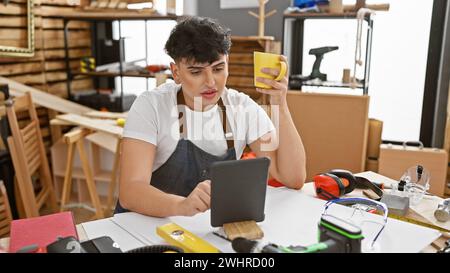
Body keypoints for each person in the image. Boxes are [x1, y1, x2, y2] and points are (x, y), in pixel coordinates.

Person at [116, 16, 306, 217]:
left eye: (218, 69)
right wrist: (181, 206)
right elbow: (131, 191)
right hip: (143, 227)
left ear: (227, 63)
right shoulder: (151, 106)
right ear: (176, 72)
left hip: (200, 230)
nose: (210, 82)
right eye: (196, 72)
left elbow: (292, 177)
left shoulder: (242, 108)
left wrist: (280, 104)